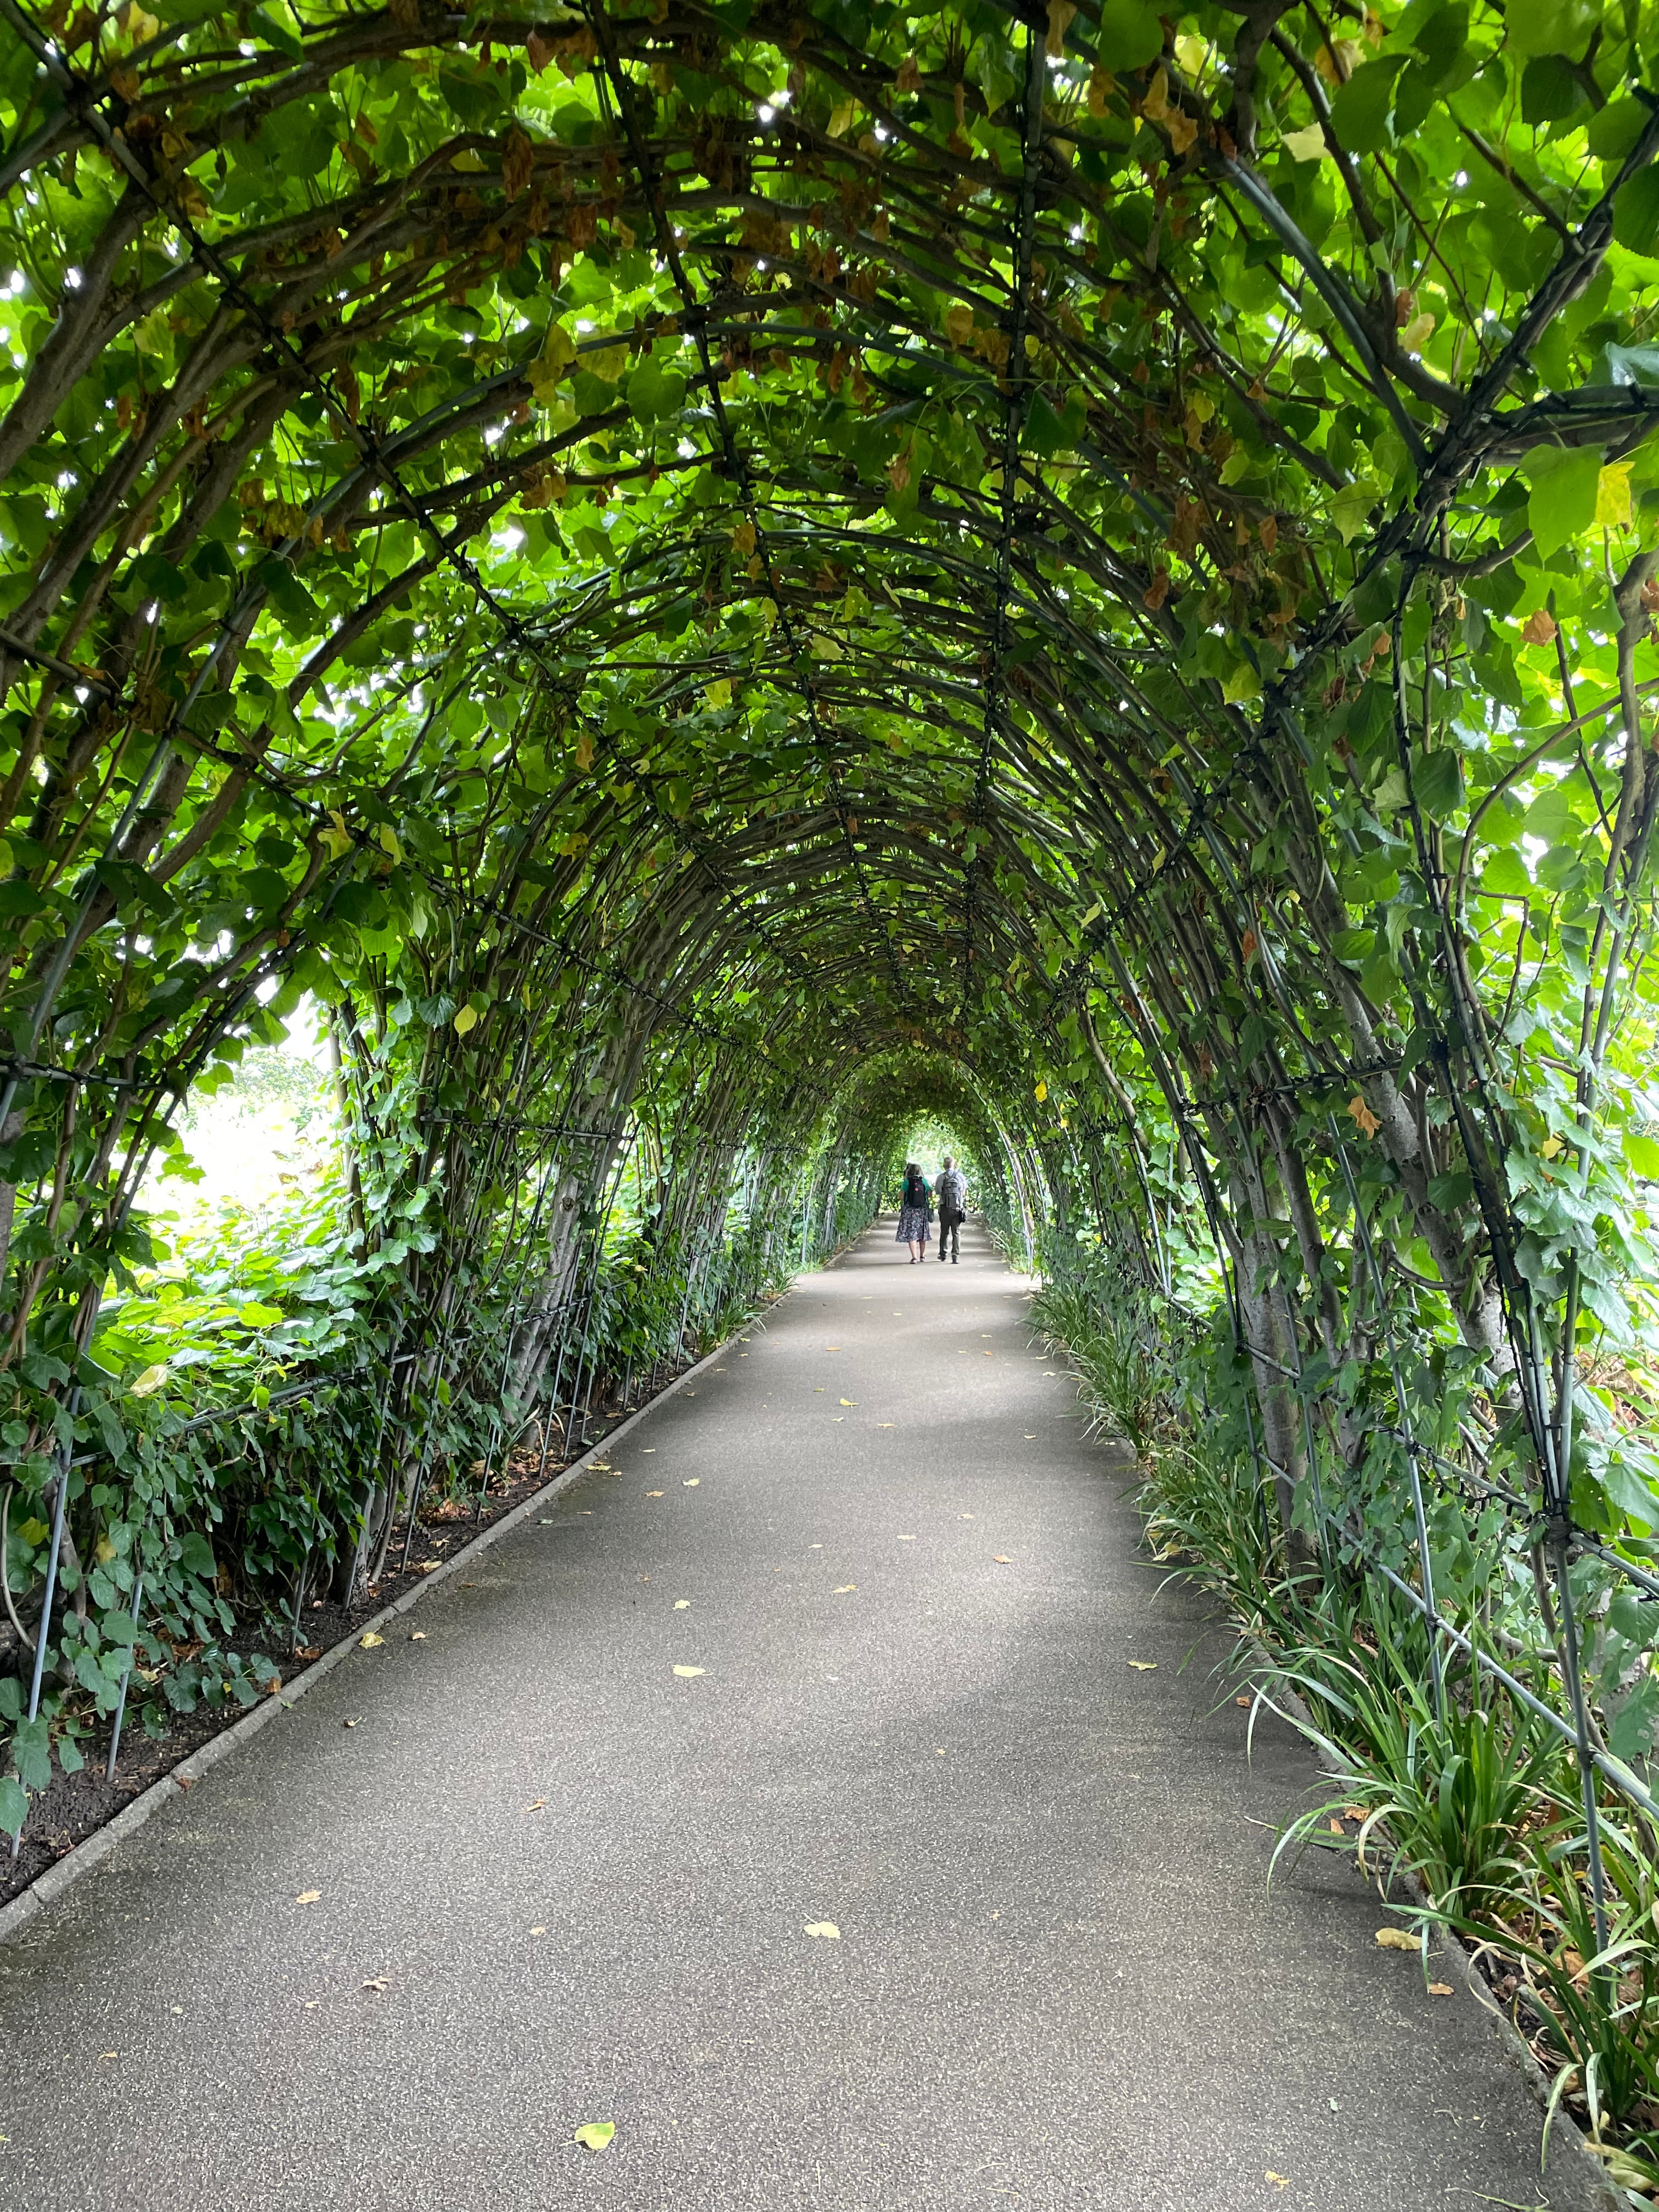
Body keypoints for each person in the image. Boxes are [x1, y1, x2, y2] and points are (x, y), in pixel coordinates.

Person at [895, 1160, 932, 1263]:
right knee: (922, 1233)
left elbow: (901, 1197)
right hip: (922, 1210)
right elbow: (930, 1194)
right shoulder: (924, 1181)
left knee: (912, 1233)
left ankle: (914, 1258)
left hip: (909, 1210)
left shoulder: (907, 1182)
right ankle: (922, 1256)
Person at [934, 1154, 967, 1264]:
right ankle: (955, 1256)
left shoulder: (941, 1177)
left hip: (944, 1208)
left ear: (944, 1166)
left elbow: (938, 1191)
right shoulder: (960, 1176)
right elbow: (963, 1192)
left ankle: (943, 1254)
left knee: (944, 1232)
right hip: (957, 1208)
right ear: (954, 1165)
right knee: (956, 1232)